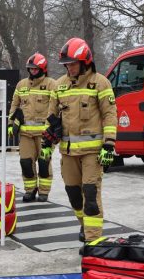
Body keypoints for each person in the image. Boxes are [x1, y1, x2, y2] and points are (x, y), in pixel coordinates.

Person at [40, 38, 117, 243]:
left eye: (73, 64)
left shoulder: (100, 83)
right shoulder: (60, 85)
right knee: (73, 194)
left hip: (92, 153)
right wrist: (47, 144)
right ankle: (85, 225)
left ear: (85, 62)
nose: (69, 68)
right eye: (66, 64)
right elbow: (51, 118)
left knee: (90, 194)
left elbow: (109, 115)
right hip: (68, 152)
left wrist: (109, 144)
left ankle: (93, 240)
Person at [8, 53, 57, 203]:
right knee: (26, 163)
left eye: (36, 68)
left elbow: (56, 108)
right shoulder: (21, 85)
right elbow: (14, 105)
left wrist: (53, 129)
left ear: (43, 69)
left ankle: (44, 191)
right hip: (25, 134)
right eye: (30, 68)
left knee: (43, 163)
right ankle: (30, 190)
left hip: (44, 134)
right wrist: (10, 123)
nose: (33, 71)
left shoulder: (51, 84)